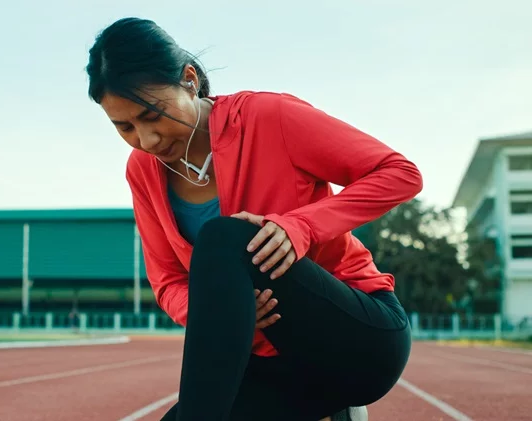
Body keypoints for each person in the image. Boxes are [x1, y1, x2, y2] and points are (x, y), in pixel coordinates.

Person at [85, 17, 422, 421]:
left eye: (153, 114)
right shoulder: (142, 170)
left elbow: (400, 173)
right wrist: (226, 308)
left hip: (357, 340)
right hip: (271, 367)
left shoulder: (269, 117)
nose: (147, 140)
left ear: (189, 80)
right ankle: (338, 413)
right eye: (124, 127)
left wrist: (300, 226)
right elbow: (168, 282)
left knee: (226, 238)